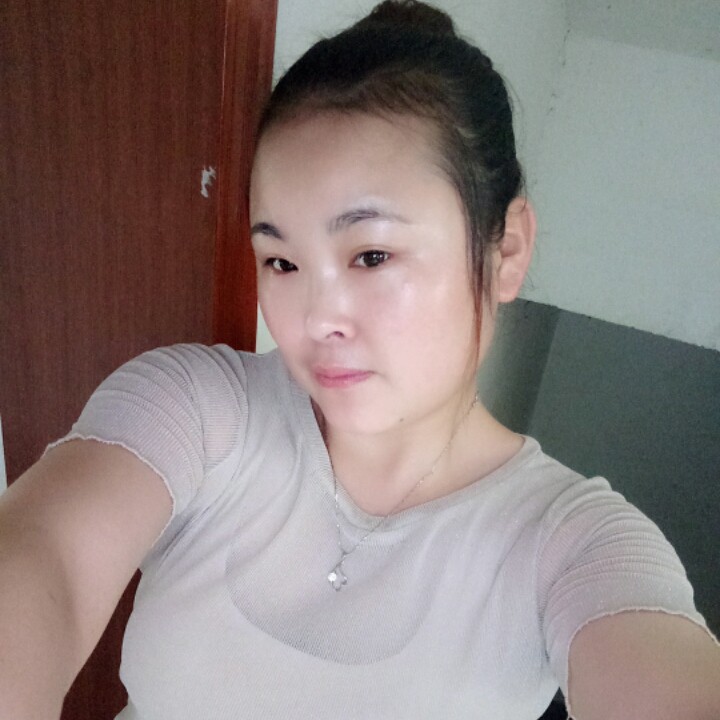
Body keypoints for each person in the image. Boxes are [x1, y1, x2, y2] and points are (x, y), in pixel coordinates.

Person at [1, 2, 719, 718]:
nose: (315, 318)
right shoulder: (197, 405)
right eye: (281, 261)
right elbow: (45, 561)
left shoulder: (575, 544)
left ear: (506, 249)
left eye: (371, 255)